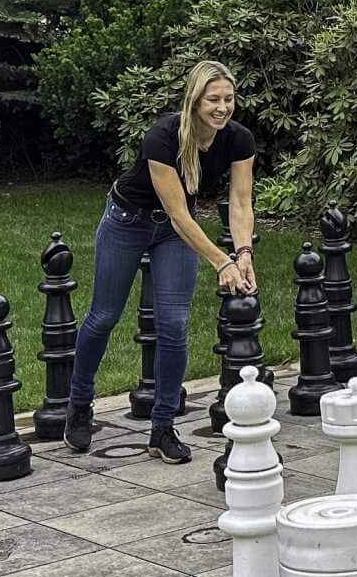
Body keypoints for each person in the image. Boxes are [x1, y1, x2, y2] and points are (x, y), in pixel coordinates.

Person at [63, 59, 258, 462]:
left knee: (173, 324)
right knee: (104, 317)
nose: (222, 107)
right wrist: (222, 263)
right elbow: (179, 214)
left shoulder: (238, 139)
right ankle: (79, 404)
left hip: (172, 235)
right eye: (213, 100)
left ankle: (162, 427)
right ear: (195, 100)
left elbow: (240, 203)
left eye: (229, 98)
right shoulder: (163, 137)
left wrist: (244, 253)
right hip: (127, 221)